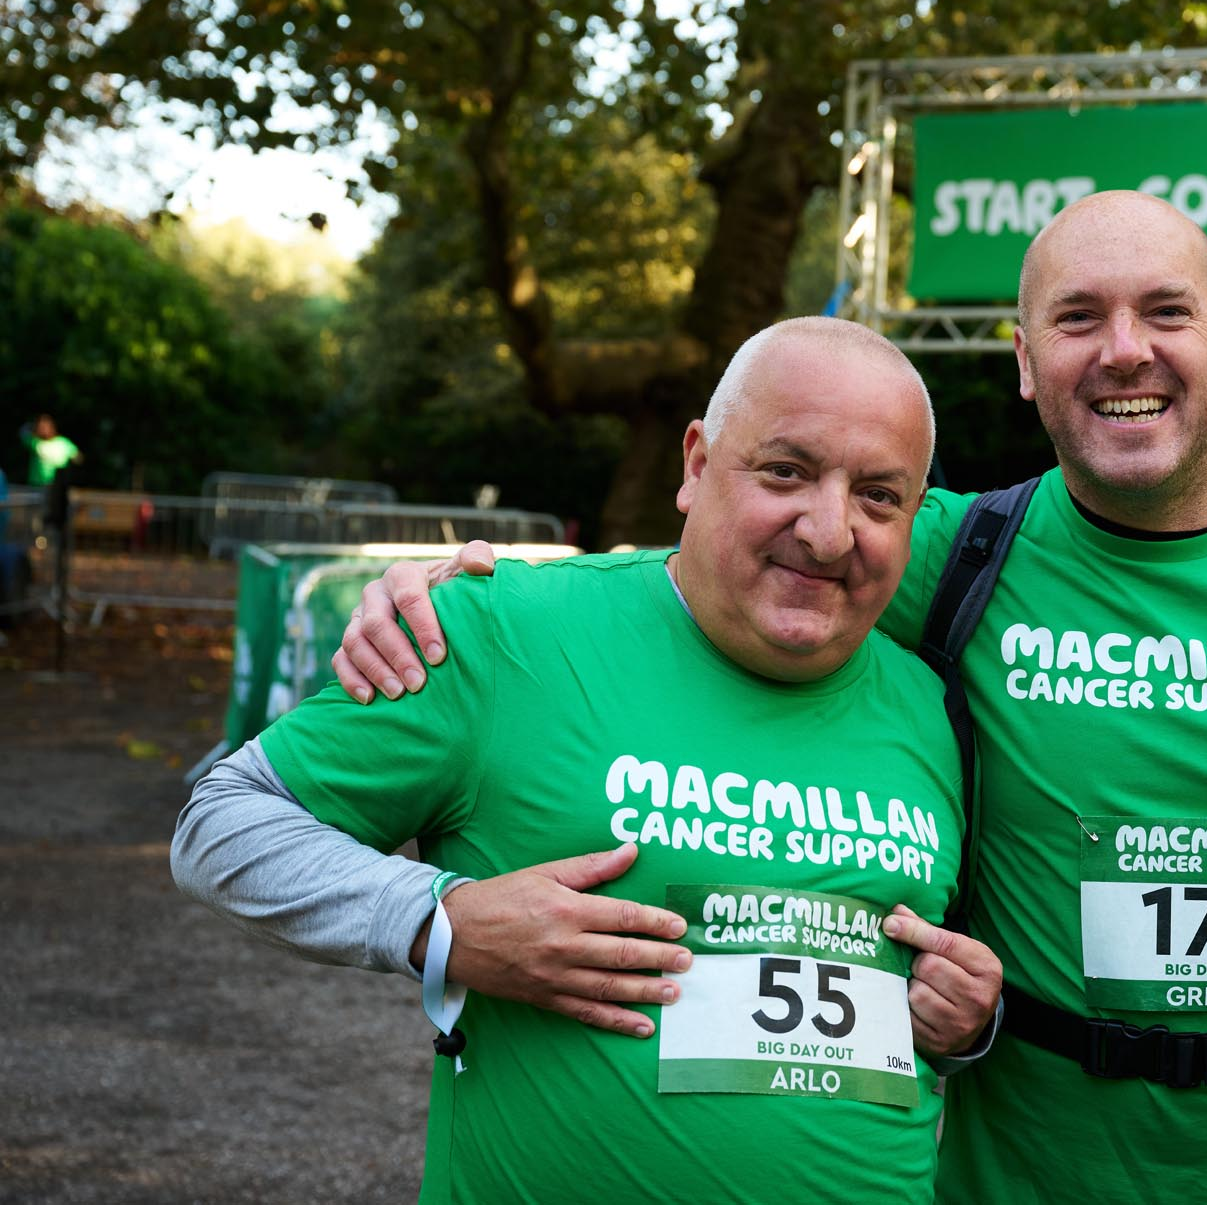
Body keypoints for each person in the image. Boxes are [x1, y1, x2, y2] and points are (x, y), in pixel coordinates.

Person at [341, 192, 1207, 1203]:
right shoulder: (949, 550)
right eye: (1076, 319)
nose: (1123, 350)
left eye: (1163, 313)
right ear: (1024, 364)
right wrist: (467, 592)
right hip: (1019, 1181)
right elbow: (732, 551)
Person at [174, 319, 1002, 1203]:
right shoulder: (508, 631)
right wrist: (439, 922)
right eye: (787, 471)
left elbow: (914, 993)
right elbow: (221, 821)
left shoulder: (936, 704)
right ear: (696, 464)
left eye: (878, 495)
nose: (830, 530)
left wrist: (965, 1021)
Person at [19, 413, 81, 486]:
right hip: (37, 486)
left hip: (58, 485)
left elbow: (78, 458)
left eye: (45, 427)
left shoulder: (63, 442)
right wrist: (33, 425)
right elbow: (22, 432)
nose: (43, 430)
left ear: (52, 427)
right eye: (40, 427)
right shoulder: (34, 442)